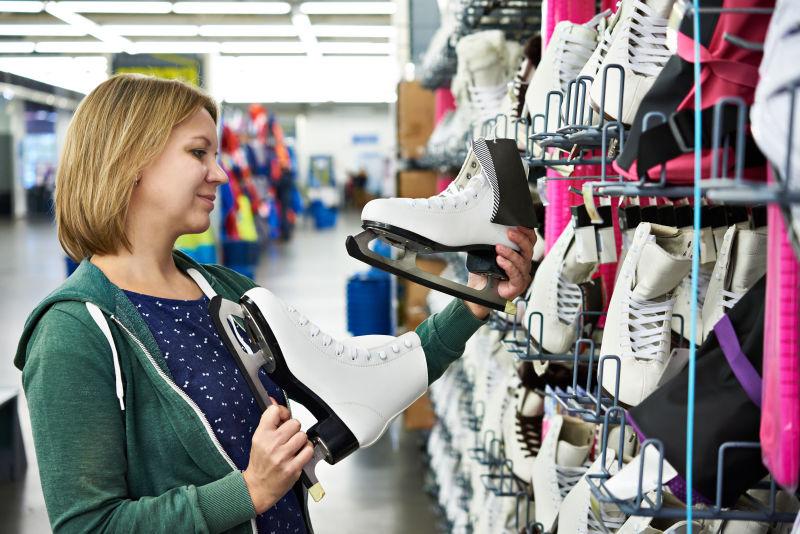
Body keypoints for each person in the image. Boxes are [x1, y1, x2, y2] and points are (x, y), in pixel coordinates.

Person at [14, 74, 536, 533]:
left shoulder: (221, 288)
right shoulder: (73, 331)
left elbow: (361, 379)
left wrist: (478, 299)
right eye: (199, 153)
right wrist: (247, 493)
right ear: (129, 161)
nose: (220, 174)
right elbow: (88, 525)